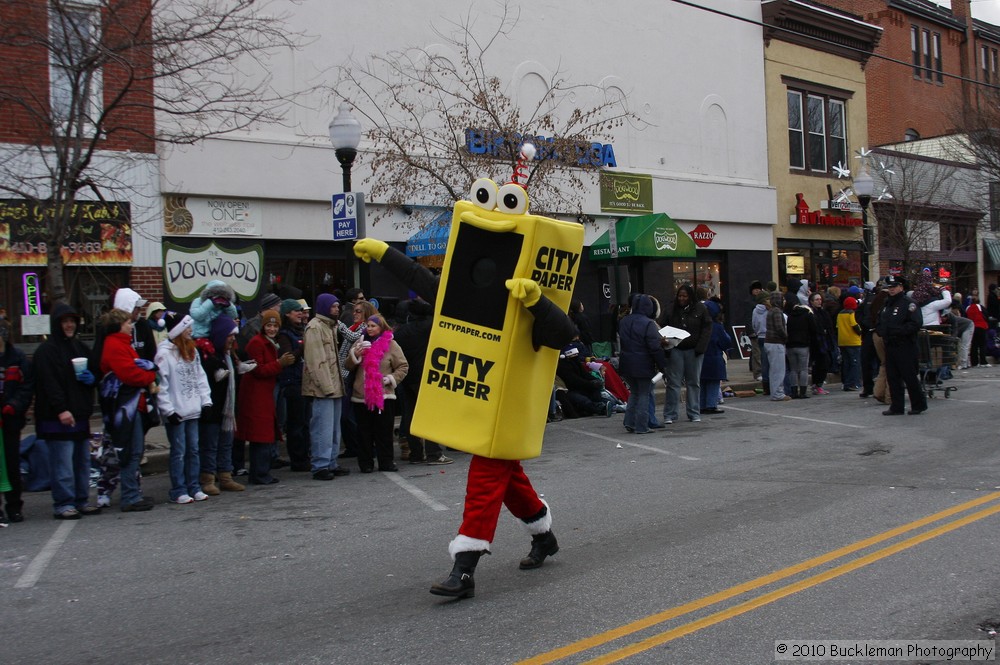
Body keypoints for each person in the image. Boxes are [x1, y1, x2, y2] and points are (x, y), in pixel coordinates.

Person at [353, 229, 575, 600]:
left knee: (485, 481)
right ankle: (545, 536)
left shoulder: (524, 297)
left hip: (511, 410)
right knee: (509, 479)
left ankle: (465, 567)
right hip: (481, 402)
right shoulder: (468, 295)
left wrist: (536, 300)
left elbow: (563, 332)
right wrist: (383, 252)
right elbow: (420, 278)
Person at [34, 303, 98, 520]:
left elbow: (95, 371)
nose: (69, 325)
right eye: (65, 321)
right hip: (57, 417)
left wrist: (92, 378)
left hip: (80, 413)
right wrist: (61, 409)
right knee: (62, 464)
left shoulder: (79, 347)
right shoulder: (46, 351)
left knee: (82, 462)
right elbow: (48, 383)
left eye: (72, 321)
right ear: (57, 324)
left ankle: (81, 500)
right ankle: (63, 502)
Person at [97, 308, 159, 511]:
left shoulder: (123, 344)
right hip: (125, 408)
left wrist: (146, 371)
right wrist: (150, 376)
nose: (131, 325)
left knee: (135, 451)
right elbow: (131, 374)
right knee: (130, 452)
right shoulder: (114, 345)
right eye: (127, 323)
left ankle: (133, 493)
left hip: (133, 405)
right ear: (118, 326)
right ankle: (130, 496)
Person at [155, 314, 212, 504]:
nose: (190, 331)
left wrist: (206, 402)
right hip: (176, 412)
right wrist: (168, 410)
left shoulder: (191, 351)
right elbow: (161, 385)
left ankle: (193, 486)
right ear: (178, 330)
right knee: (179, 451)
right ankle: (178, 489)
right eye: (187, 328)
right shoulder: (164, 354)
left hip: (193, 409)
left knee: (193, 450)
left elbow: (200, 378)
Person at [237, 310, 294, 485]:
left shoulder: (269, 342)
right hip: (256, 394)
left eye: (275, 325)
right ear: (263, 326)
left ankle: (260, 472)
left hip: (263, 393)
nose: (272, 329)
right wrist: (279, 364)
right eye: (269, 325)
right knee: (261, 434)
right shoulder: (257, 343)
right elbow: (259, 370)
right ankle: (260, 473)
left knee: (263, 434)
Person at [346, 313, 409, 473]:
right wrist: (356, 355)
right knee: (364, 432)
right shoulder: (360, 343)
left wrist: (391, 379)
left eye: (373, 326)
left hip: (384, 396)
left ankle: (386, 462)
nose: (370, 328)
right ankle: (365, 463)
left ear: (381, 327)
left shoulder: (391, 344)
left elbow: (403, 366)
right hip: (361, 396)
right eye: (368, 326)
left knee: (384, 432)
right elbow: (348, 366)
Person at [393, 299, 453, 465]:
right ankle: (434, 453)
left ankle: (416, 454)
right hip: (424, 377)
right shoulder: (427, 326)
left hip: (407, 377)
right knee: (430, 415)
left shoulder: (400, 332)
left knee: (411, 415)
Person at [302, 293, 350, 481]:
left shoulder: (329, 326)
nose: (337, 309)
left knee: (333, 428)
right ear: (324, 307)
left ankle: (331, 461)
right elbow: (315, 361)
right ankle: (320, 464)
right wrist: (326, 386)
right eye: (333, 306)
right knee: (322, 427)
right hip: (323, 388)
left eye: (337, 306)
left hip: (333, 385)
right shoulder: (315, 328)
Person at [198, 315, 247, 494]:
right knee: (210, 444)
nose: (232, 339)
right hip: (213, 406)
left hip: (228, 406)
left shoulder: (229, 355)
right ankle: (208, 478)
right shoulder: (208, 354)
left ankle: (226, 476)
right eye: (229, 335)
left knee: (226, 443)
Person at [877, 275, 927, 415]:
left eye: (894, 287)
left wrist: (898, 331)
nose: (891, 290)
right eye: (890, 287)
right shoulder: (887, 303)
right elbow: (880, 320)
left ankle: (918, 405)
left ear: (901, 287)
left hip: (905, 345)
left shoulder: (909, 303)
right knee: (893, 377)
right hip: (890, 344)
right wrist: (881, 330)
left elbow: (915, 323)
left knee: (909, 376)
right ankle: (897, 406)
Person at [662, 284, 712, 424]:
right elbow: (662, 326)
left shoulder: (701, 309)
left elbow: (707, 328)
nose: (682, 299)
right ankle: (670, 414)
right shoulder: (670, 309)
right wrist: (666, 344)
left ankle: (694, 413)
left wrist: (700, 348)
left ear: (690, 296)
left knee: (693, 382)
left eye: (685, 296)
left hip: (694, 351)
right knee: (673, 383)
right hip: (676, 350)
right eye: (680, 296)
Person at [276, 299, 311, 472]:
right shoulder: (284, 334)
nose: (301, 313)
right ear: (287, 313)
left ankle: (306, 456)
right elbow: (288, 357)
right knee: (296, 424)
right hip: (293, 382)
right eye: (296, 311)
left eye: (301, 311)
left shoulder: (302, 330)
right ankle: (298, 460)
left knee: (305, 422)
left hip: (305, 381)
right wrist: (303, 347)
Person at [699, 300, 731, 413]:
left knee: (702, 383)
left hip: (700, 358)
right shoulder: (717, 327)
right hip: (714, 358)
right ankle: (711, 405)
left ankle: (702, 405)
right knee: (713, 382)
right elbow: (725, 342)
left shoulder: (699, 325)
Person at [785, 298, 816, 399]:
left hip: (790, 345)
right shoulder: (807, 315)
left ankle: (794, 391)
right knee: (803, 369)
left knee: (793, 369)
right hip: (803, 344)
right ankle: (803, 391)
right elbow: (813, 329)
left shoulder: (790, 316)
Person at [764, 292, 791, 401]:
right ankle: (778, 393)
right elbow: (779, 328)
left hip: (770, 342)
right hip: (776, 342)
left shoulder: (771, 311)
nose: (784, 301)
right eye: (782, 299)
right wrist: (786, 337)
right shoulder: (777, 312)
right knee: (779, 370)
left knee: (774, 370)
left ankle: (775, 392)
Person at [808, 292, 835, 395]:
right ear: (811, 302)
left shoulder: (823, 312)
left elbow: (829, 326)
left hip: (826, 341)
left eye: (820, 299)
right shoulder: (811, 313)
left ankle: (818, 384)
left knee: (825, 362)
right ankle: (817, 384)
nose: (819, 301)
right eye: (816, 300)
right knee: (820, 363)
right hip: (817, 342)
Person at [837, 297, 862, 391]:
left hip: (842, 341)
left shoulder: (840, 314)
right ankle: (852, 383)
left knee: (846, 363)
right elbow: (854, 325)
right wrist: (860, 331)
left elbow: (837, 326)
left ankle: (845, 382)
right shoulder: (851, 313)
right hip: (853, 341)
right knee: (854, 363)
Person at [751, 288, 771, 394]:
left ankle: (766, 384)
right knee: (771, 361)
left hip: (760, 336)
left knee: (763, 361)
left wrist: (757, 331)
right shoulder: (769, 309)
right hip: (769, 336)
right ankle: (771, 384)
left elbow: (754, 324)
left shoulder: (755, 310)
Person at [966, 296, 990, 368]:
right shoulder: (980, 307)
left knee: (974, 345)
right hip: (981, 326)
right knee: (982, 345)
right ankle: (983, 361)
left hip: (972, 327)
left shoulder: (968, 308)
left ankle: (974, 362)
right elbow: (986, 315)